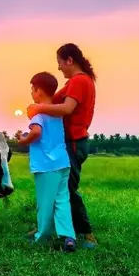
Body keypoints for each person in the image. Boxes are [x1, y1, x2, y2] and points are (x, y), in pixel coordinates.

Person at [27, 43, 98, 249]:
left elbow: (66, 108)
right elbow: (54, 100)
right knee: (59, 188)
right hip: (71, 142)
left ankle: (86, 233)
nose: (59, 68)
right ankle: (46, 227)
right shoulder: (73, 83)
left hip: (74, 142)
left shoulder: (79, 81)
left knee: (67, 188)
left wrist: (38, 107)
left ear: (69, 60)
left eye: (59, 62)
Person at [15, 71, 76, 252]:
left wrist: (23, 140)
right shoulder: (57, 113)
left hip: (46, 166)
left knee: (45, 202)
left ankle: (41, 237)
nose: (32, 94)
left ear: (39, 91)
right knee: (62, 200)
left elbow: (36, 133)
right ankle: (69, 236)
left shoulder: (37, 113)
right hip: (63, 163)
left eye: (33, 90)